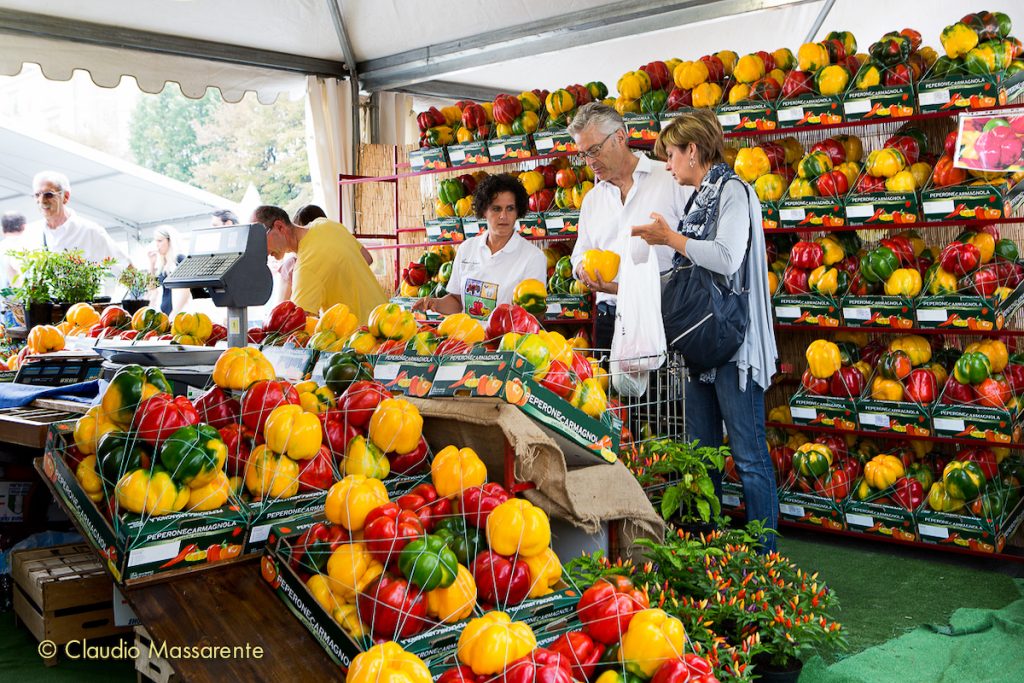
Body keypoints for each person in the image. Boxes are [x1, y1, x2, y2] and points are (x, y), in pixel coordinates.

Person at [632, 109, 779, 550]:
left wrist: (671, 239)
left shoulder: (733, 191)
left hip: (735, 346)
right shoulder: (700, 197)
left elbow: (727, 258)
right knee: (702, 457)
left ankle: (765, 556)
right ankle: (709, 552)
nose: (669, 165)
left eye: (672, 155)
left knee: (749, 457)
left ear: (692, 150)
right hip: (701, 345)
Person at [567, 103, 692, 352]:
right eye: (583, 154)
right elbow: (580, 253)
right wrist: (581, 268)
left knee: (665, 391)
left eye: (594, 150)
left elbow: (694, 246)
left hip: (662, 312)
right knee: (612, 391)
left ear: (620, 137)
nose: (590, 161)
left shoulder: (670, 179)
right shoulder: (592, 200)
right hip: (610, 318)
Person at [414, 173, 546, 319]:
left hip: (508, 340)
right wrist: (435, 303)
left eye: (510, 208)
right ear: (484, 211)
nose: (503, 216)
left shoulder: (533, 257)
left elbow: (534, 315)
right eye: (496, 209)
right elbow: (457, 302)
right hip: (468, 338)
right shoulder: (467, 249)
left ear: (518, 211)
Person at [251, 205, 386, 322]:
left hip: (362, 340)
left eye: (260, 239)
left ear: (279, 227)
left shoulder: (306, 267)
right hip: (389, 318)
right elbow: (366, 257)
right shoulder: (326, 225)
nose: (263, 251)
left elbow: (299, 327)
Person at [26, 171, 130, 270]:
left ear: (65, 197)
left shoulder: (90, 232)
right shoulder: (31, 233)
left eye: (48, 194)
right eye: (37, 195)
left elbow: (126, 270)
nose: (41, 200)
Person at [147, 225, 189, 316]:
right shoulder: (162, 264)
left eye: (160, 241)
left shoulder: (179, 259)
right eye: (156, 241)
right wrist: (152, 264)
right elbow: (152, 288)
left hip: (178, 314)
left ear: (170, 241)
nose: (156, 244)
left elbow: (186, 291)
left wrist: (174, 313)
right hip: (166, 314)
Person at [0, 212, 28, 288]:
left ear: (2, 229)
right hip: (18, 297)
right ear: (24, 227)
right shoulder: (25, 246)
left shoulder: (2, 246)